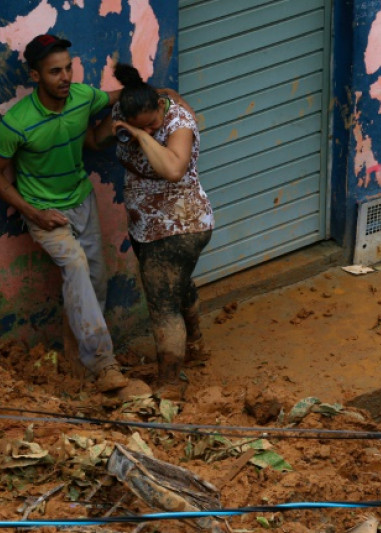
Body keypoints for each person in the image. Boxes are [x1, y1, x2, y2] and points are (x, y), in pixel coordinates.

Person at [0, 34, 132, 391]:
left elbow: (112, 100)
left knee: (93, 282)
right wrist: (33, 213)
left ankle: (75, 362)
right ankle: (104, 363)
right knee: (76, 266)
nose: (65, 77)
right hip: (44, 211)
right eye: (54, 72)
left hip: (82, 200)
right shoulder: (17, 123)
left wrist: (151, 95)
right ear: (35, 76)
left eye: (68, 68)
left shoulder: (82, 97)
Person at [91, 63, 213, 399]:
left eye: (153, 122)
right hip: (146, 226)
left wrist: (143, 135)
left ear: (160, 108)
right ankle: (197, 344)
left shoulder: (178, 122)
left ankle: (171, 382)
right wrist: (113, 125)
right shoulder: (126, 113)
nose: (152, 127)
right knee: (177, 285)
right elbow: (93, 140)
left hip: (180, 226)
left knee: (162, 304)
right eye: (141, 125)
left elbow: (173, 169)